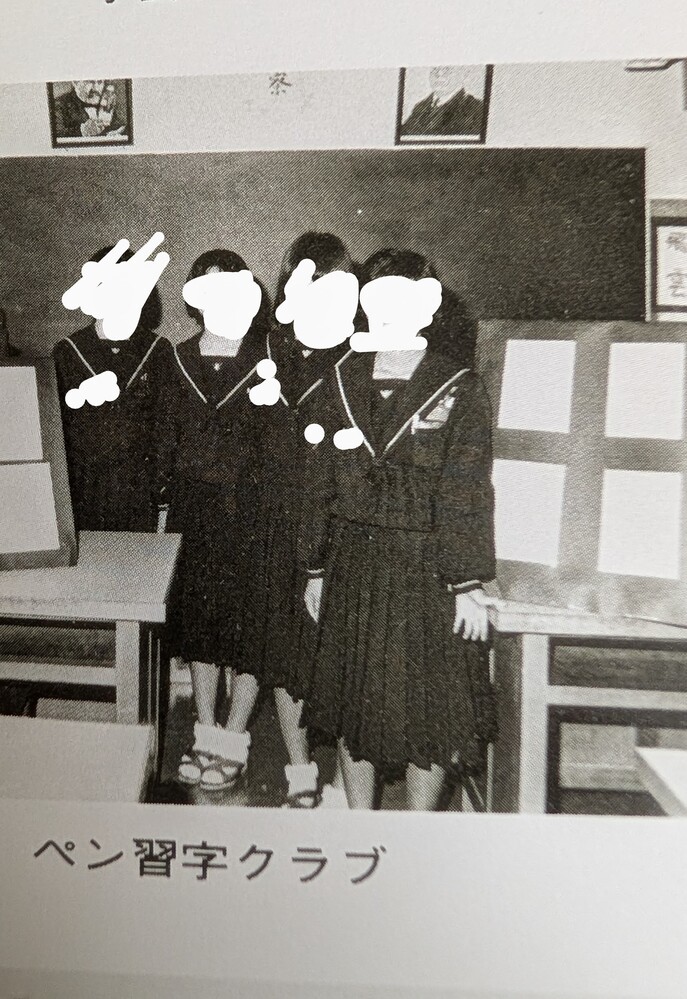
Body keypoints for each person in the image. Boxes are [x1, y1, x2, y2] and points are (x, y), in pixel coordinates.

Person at [300, 248, 497, 810]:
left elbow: (466, 490)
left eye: (400, 297)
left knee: (425, 711)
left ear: (427, 305)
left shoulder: (459, 385)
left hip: (427, 571)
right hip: (354, 563)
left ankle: (415, 833)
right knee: (353, 703)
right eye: (375, 297)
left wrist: (466, 583)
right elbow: (318, 481)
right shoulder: (340, 379)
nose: (386, 310)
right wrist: (314, 566)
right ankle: (360, 823)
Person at [241, 231, 360, 808]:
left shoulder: (359, 354)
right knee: (287, 653)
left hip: (338, 524)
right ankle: (299, 768)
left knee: (336, 656)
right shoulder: (269, 349)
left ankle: (345, 780)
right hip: (276, 521)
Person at [156, 249, 271, 792]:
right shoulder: (176, 359)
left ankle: (233, 737)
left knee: (249, 628)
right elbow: (163, 437)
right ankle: (205, 730)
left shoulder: (266, 359)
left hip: (251, 514)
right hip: (195, 512)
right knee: (201, 626)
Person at [53, 245, 170, 533]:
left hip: (137, 488)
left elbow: (165, 423)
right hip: (84, 486)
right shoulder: (68, 352)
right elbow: (59, 429)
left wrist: (158, 481)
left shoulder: (157, 350)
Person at [402, 66, 485, 138]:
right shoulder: (420, 107)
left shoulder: (478, 109)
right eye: (435, 69)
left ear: (463, 74)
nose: (439, 75)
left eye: (447, 70)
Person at [53, 81, 127, 140]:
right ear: (75, 82)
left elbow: (119, 127)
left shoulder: (107, 102)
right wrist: (83, 131)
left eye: (99, 82)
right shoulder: (57, 105)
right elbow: (55, 137)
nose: (96, 88)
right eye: (90, 82)